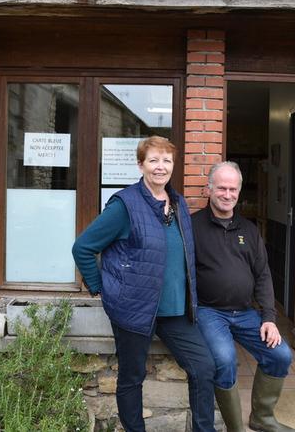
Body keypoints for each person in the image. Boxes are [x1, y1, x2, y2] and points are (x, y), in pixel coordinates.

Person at [72, 136, 216, 432]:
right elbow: (83, 247)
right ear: (141, 165)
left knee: (203, 367)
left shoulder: (179, 204)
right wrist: (100, 287)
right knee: (131, 377)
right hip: (134, 309)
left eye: (166, 160)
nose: (160, 167)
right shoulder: (125, 205)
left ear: (173, 166)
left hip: (175, 310)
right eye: (153, 160)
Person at [192, 161, 295, 432]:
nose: (227, 194)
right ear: (209, 189)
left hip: (246, 313)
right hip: (209, 312)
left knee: (280, 355)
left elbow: (262, 275)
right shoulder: (192, 227)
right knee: (225, 360)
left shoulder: (248, 230)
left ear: (239, 191)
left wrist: (269, 318)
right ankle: (235, 427)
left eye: (233, 189)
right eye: (222, 188)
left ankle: (262, 418)